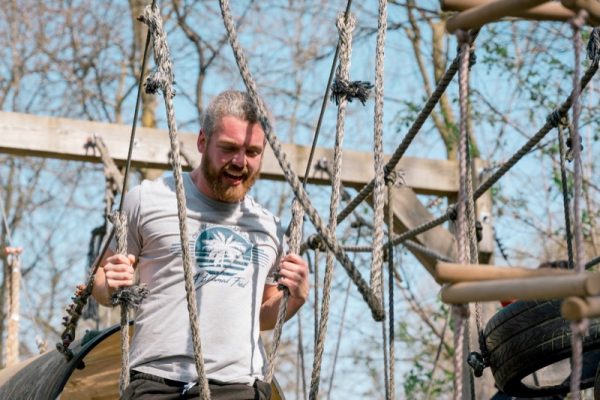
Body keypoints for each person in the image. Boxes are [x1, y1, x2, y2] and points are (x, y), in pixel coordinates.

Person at [92, 90, 309, 399]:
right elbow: (99, 282)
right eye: (229, 148)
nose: (240, 162)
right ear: (202, 142)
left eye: (252, 152)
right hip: (155, 381)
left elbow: (260, 316)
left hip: (236, 386)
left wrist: (296, 298)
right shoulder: (147, 200)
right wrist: (109, 284)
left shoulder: (268, 227)